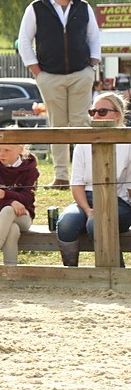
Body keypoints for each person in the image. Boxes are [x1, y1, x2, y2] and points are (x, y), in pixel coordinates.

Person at [18, 0, 101, 188]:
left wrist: (91, 67)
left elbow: (94, 37)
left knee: (80, 124)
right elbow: (24, 41)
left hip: (80, 74)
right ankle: (61, 177)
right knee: (57, 125)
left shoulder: (84, 8)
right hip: (49, 76)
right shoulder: (36, 8)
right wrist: (38, 73)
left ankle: (86, 177)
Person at [56, 92, 131, 267]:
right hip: (86, 199)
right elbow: (77, 183)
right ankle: (71, 274)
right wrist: (87, 209)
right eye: (93, 112)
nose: (96, 115)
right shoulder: (83, 141)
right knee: (66, 223)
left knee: (97, 223)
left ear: (117, 114)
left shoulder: (127, 143)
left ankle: (114, 271)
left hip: (118, 200)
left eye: (102, 111)